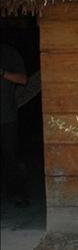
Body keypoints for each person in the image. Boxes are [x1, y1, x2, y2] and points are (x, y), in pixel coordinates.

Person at [1, 43, 28, 205]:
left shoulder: (9, 53)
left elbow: (23, 79)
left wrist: (2, 72)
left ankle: (16, 193)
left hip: (6, 116)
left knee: (10, 156)